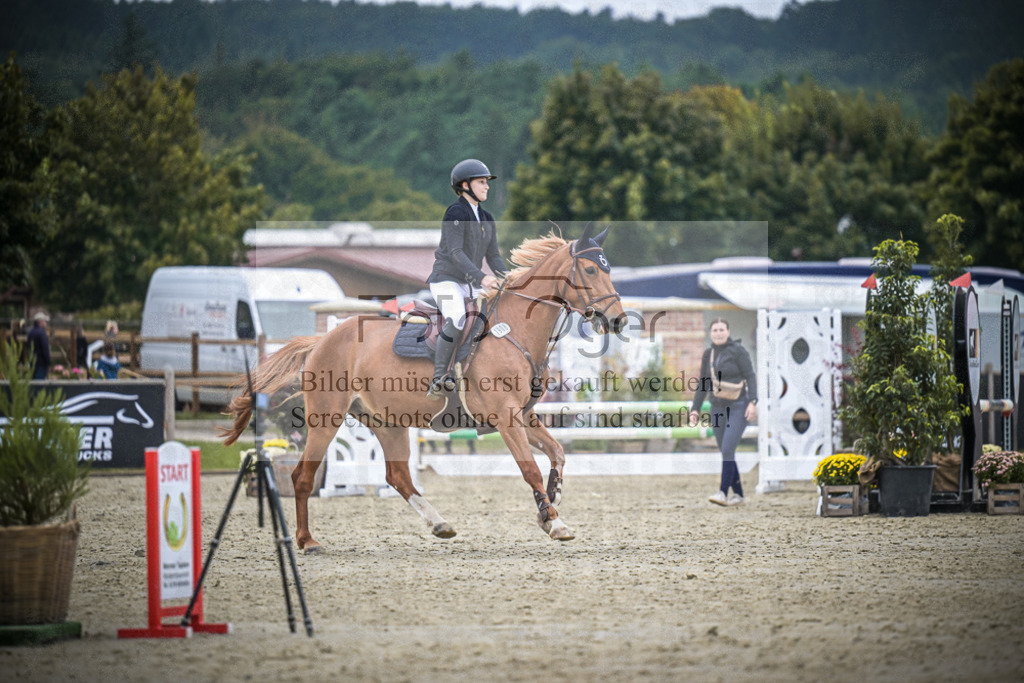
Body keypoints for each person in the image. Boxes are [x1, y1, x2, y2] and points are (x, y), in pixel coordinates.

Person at [424, 158, 507, 399]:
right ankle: (439, 377)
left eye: (487, 183)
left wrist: (510, 279)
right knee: (458, 318)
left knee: (493, 316)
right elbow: (455, 252)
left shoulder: (487, 217)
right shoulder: (455, 212)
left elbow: (493, 256)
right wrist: (482, 278)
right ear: (465, 185)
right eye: (482, 182)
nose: (487, 187)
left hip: (468, 283)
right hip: (446, 280)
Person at [689, 318, 758, 506]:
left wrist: (753, 401)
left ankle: (722, 492)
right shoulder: (708, 354)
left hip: (738, 406)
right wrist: (695, 409)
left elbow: (750, 376)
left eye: (722, 329)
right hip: (717, 407)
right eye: (715, 330)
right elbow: (703, 382)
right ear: (710, 333)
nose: (718, 333)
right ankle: (739, 495)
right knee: (726, 452)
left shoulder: (738, 351)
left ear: (728, 331)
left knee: (728, 449)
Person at [26, 311, 51, 380]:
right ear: (40, 322)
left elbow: (28, 347)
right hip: (41, 363)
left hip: (32, 362)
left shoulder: (30, 332)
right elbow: (45, 349)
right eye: (44, 321)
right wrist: (48, 363)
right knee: (40, 385)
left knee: (33, 385)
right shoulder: (42, 333)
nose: (45, 322)